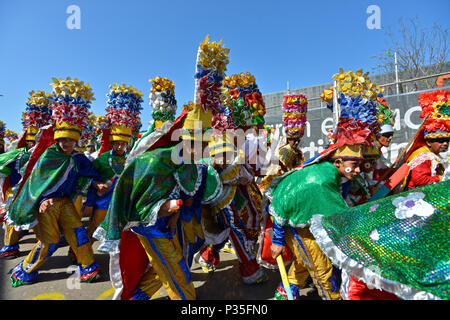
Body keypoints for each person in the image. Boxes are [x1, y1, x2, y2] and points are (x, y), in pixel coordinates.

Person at [268, 68, 381, 300]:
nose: (359, 170)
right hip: (295, 223)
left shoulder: (334, 174)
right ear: (338, 160)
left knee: (308, 263)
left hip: (307, 221)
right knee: (323, 273)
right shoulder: (319, 178)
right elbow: (282, 202)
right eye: (355, 164)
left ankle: (286, 291)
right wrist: (278, 240)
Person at [7, 77, 108, 286]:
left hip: (65, 203)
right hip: (47, 206)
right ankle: (25, 269)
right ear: (57, 139)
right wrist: (42, 200)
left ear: (77, 140)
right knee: (50, 241)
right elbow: (36, 185)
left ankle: (87, 267)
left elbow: (88, 174)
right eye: (63, 139)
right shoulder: (48, 157)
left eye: (71, 139)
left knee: (78, 234)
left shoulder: (78, 157)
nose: (67, 143)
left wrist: (97, 184)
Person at [1, 90, 52, 258]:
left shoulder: (47, 154)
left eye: (37, 139)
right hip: (18, 191)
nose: (34, 142)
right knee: (13, 218)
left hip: (38, 192)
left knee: (42, 223)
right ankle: (11, 245)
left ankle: (43, 244)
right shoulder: (17, 153)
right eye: (31, 139)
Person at [400, 90, 449, 191]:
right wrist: (443, 178)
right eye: (440, 140)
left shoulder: (431, 153)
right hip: (416, 197)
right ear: (428, 142)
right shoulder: (424, 155)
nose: (445, 143)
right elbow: (419, 179)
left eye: (447, 140)